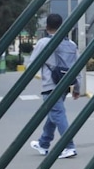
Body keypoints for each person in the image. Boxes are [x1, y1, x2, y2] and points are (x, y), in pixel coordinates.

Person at [28, 13, 82, 159]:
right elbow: (78, 66)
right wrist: (77, 88)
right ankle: (43, 143)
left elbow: (31, 65)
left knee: (57, 114)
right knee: (53, 114)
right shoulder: (71, 45)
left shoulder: (43, 43)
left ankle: (69, 146)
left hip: (50, 85)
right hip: (64, 85)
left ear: (47, 27)